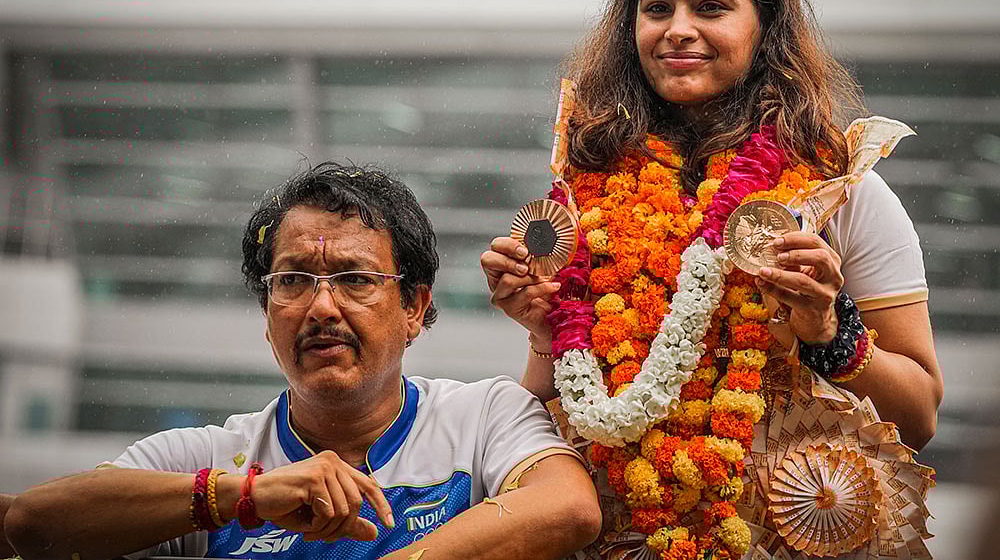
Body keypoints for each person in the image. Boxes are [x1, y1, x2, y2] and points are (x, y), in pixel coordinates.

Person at [480, 0, 942, 559]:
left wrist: (828, 331)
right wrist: (540, 325)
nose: (678, 29)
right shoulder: (586, 188)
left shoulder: (837, 190)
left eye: (710, 6)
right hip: (617, 528)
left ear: (765, 25)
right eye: (657, 7)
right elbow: (545, 403)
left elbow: (920, 416)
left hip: (783, 531)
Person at [4, 162, 601, 560]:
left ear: (415, 308)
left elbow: (569, 508)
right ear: (267, 316)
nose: (321, 307)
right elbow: (31, 524)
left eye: (354, 279)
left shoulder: (485, 415)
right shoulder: (203, 458)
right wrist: (246, 497)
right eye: (292, 280)